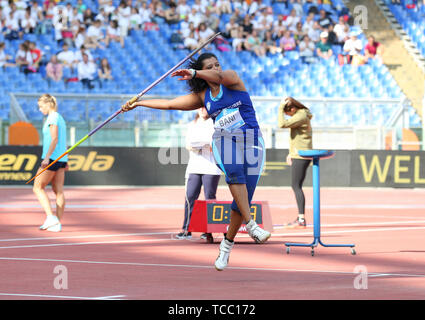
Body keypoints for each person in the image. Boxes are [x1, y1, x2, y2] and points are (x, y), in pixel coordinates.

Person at [122, 52, 271, 271]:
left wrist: (194, 72)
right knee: (234, 171)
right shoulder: (204, 96)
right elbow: (171, 105)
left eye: (217, 65)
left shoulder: (232, 79)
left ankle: (226, 246)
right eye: (210, 67)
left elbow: (221, 77)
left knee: (241, 201)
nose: (216, 69)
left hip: (251, 141)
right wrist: (139, 104)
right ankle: (251, 225)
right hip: (224, 139)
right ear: (202, 74)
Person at [175, 107, 222, 240]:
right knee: (190, 197)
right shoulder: (192, 125)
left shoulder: (216, 124)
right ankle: (186, 229)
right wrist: (196, 146)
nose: (202, 109)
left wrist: (208, 146)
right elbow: (187, 145)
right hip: (194, 167)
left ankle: (208, 230)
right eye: (199, 107)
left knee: (210, 198)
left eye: (204, 107)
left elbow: (217, 145)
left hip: (211, 167)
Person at [33, 94, 68, 232]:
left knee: (37, 187)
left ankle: (50, 217)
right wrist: (66, 160)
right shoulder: (60, 118)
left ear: (48, 104)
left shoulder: (53, 117)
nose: (40, 109)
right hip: (61, 158)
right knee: (58, 190)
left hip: (52, 158)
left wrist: (46, 157)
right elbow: (63, 141)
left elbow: (54, 139)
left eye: (41, 106)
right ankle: (57, 223)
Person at [278, 96, 313, 228]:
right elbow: (297, 137)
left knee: (296, 186)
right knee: (296, 185)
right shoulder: (301, 115)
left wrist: (280, 108)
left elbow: (282, 124)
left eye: (287, 113)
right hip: (299, 154)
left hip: (301, 155)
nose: (287, 116)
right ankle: (301, 218)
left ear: (292, 109)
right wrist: (291, 153)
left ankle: (301, 218)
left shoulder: (301, 115)